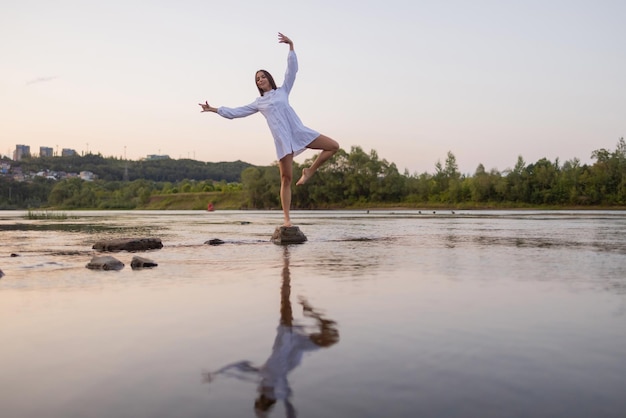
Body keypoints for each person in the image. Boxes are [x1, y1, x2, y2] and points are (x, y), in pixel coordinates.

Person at [199, 32, 339, 227]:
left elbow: (291, 72)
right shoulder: (259, 103)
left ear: (269, 79)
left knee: (333, 146)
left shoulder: (282, 91)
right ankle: (287, 220)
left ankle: (309, 171)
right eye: (257, 79)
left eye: (263, 76)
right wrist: (214, 109)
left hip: (298, 131)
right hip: (282, 140)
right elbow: (236, 112)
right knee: (286, 179)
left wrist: (291, 47)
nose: (260, 80)